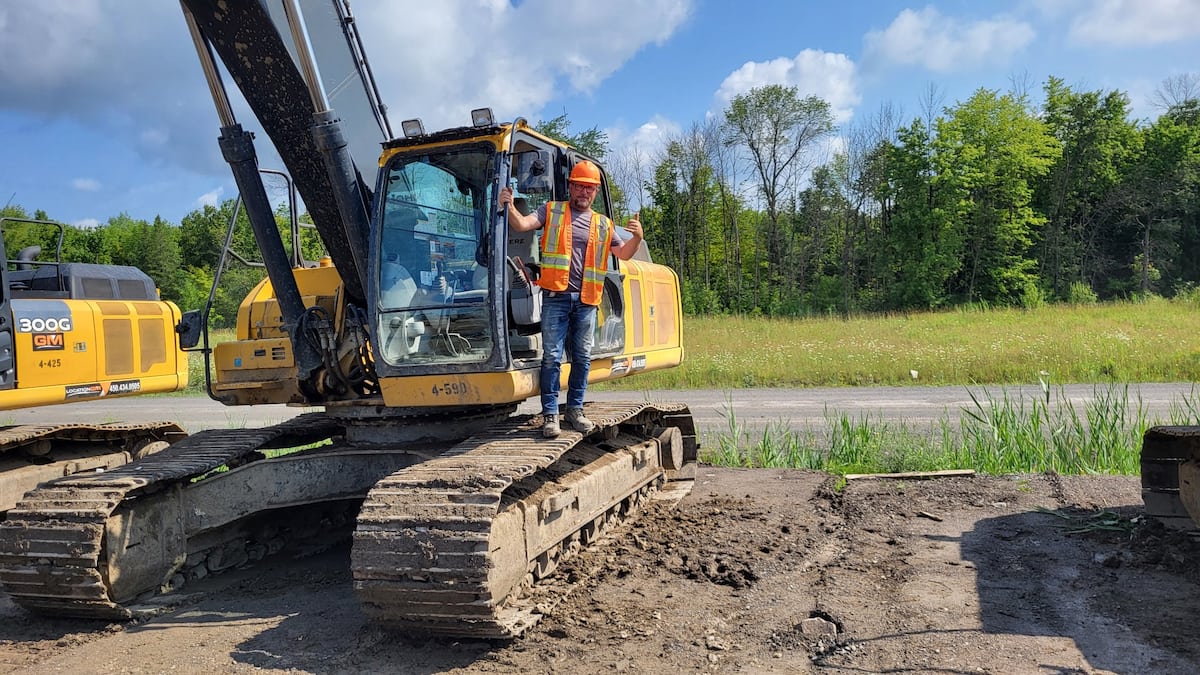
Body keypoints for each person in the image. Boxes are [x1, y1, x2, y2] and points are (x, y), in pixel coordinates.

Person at [498, 159, 643, 438]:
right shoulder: (551, 211)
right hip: (556, 298)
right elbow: (524, 224)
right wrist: (509, 205)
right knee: (552, 357)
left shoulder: (603, 224)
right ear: (571, 187)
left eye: (589, 189)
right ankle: (551, 415)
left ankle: (575, 410)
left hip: (587, 300)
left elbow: (623, 254)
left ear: (595, 192)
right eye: (579, 187)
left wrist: (637, 238)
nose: (583, 193)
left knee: (582, 357)